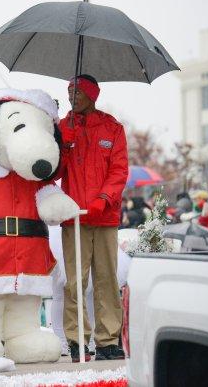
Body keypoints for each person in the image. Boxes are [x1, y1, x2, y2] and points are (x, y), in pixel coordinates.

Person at [58, 74, 128, 362]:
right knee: (75, 282)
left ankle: (108, 340)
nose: (71, 96)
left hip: (104, 218)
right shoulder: (63, 127)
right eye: (69, 91)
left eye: (77, 91)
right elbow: (52, 173)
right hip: (74, 219)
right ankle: (77, 340)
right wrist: (63, 146)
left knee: (106, 280)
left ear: (92, 94)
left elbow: (119, 170)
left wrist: (104, 199)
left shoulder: (112, 128)